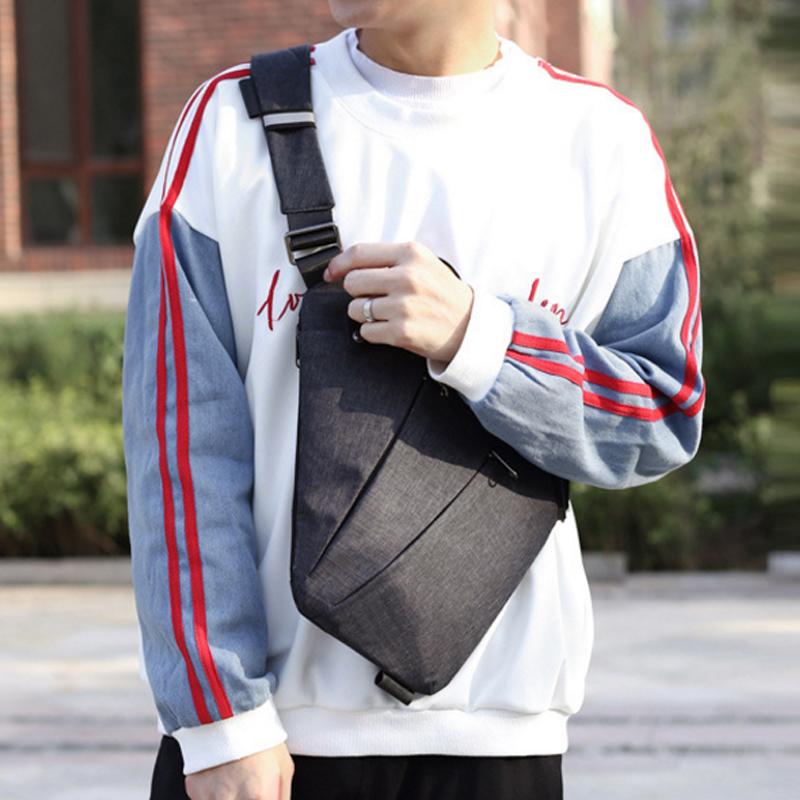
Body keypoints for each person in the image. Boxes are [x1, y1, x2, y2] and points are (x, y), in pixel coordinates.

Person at [122, 1, 705, 798]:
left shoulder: (598, 142)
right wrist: (220, 724)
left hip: (498, 737)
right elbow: (180, 449)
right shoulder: (231, 123)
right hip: (268, 745)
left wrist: (481, 338)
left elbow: (661, 414)